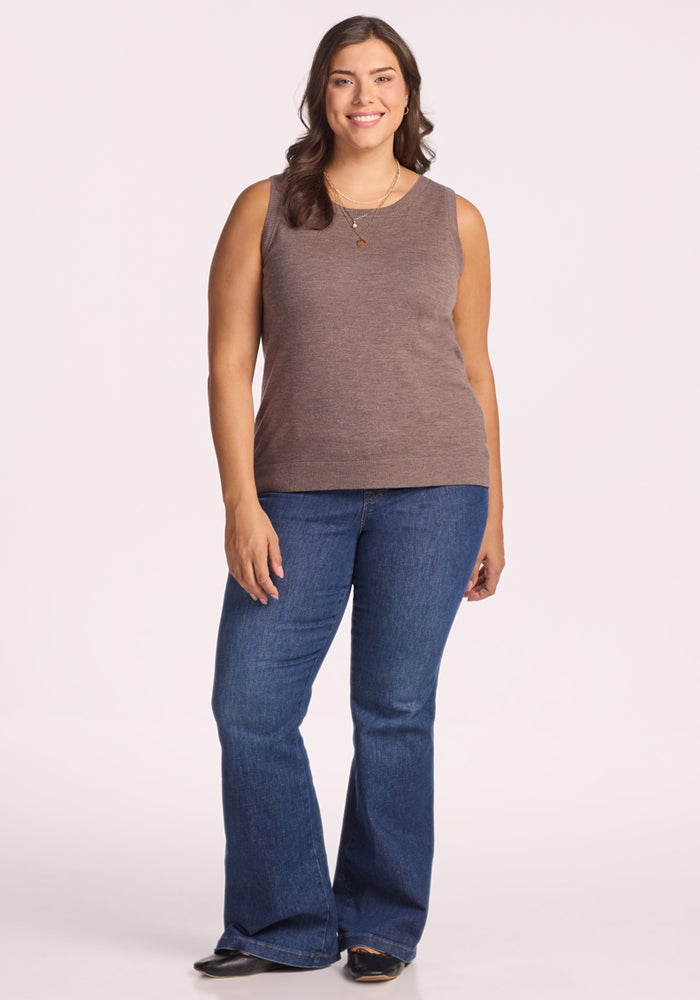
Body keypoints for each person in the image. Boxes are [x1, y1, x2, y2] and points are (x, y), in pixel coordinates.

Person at [194, 14, 505, 984]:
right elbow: (223, 365)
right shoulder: (265, 206)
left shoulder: (456, 216)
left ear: (407, 93)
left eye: (381, 78)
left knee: (394, 708)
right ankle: (283, 922)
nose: (363, 96)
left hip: (436, 489)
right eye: (342, 80)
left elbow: (475, 369)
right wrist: (242, 504)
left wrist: (494, 511)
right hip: (296, 495)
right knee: (249, 705)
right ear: (318, 96)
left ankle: (380, 922)